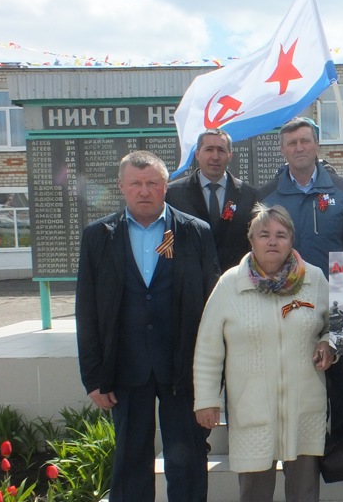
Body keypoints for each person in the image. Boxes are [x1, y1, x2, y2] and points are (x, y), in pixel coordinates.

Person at [75, 150, 220, 502]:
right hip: (125, 369)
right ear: (122, 187)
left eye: (152, 183)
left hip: (181, 369)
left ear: (165, 186)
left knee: (186, 461)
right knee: (130, 460)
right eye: (136, 183)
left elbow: (213, 308)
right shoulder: (98, 237)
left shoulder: (195, 233)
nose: (144, 190)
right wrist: (94, 377)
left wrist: (211, 379)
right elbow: (88, 311)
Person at [193, 204, 334, 502]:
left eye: (281, 235)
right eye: (264, 234)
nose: (272, 241)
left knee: (305, 493)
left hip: (303, 407)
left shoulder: (315, 280)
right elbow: (208, 348)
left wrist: (328, 343)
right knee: (254, 494)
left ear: (291, 241)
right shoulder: (231, 285)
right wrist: (206, 400)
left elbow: (336, 326)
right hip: (252, 408)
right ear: (252, 240)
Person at [257, 116, 343, 440]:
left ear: (317, 145)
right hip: (283, 299)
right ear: (282, 150)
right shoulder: (266, 196)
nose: (299, 147)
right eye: (292, 143)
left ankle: (335, 435)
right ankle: (292, 434)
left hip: (333, 302)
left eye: (305, 141)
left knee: (333, 371)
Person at [166, 128, 261, 271]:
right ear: (197, 154)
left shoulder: (249, 195)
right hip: (190, 282)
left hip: (233, 280)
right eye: (209, 149)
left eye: (221, 150)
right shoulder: (173, 194)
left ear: (230, 155)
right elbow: (167, 243)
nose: (215, 156)